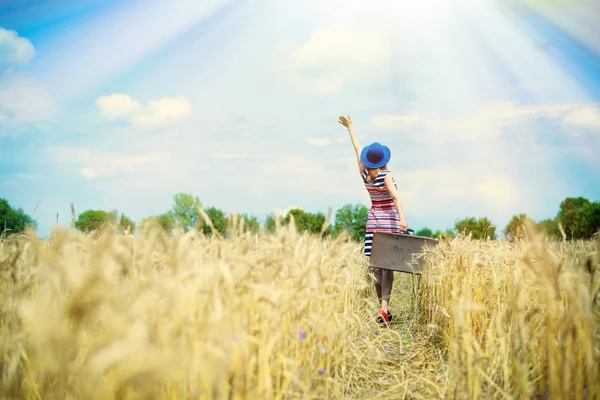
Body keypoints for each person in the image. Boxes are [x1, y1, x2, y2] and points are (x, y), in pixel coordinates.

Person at [338, 115, 408, 326]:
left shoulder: (365, 174)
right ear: (384, 160)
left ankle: (382, 307)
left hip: (373, 223)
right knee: (387, 267)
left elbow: (357, 150)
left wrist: (350, 128)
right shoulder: (385, 176)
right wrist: (403, 219)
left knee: (376, 266)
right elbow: (395, 197)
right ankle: (384, 307)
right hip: (388, 221)